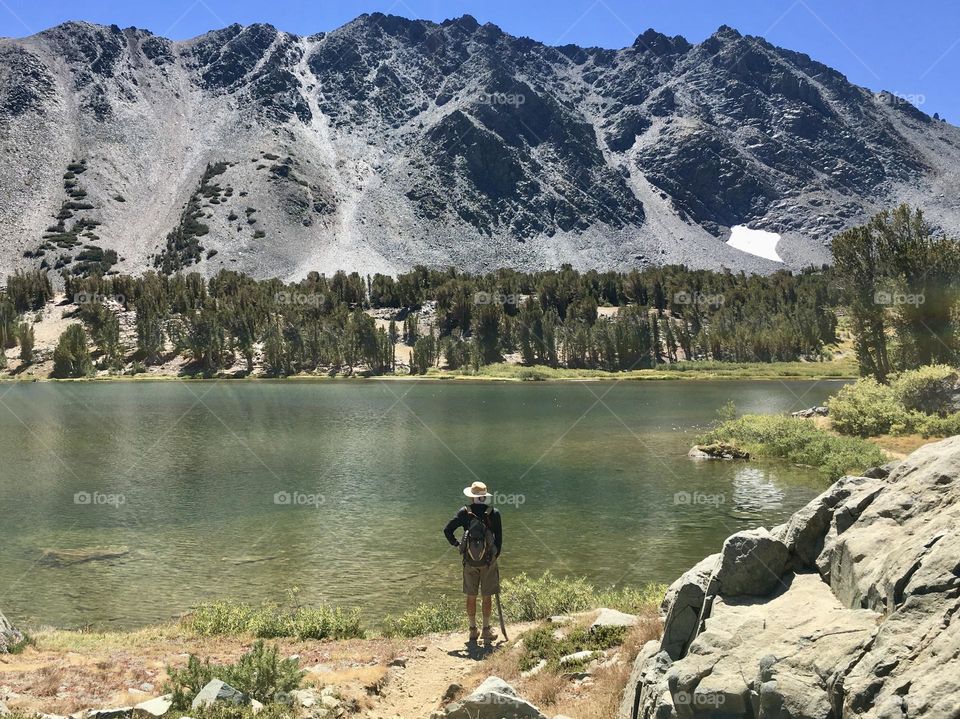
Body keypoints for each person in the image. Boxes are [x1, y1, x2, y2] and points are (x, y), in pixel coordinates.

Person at [443, 480, 503, 643]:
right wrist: (492, 558)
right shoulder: (494, 513)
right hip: (489, 562)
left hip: (470, 561)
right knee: (487, 596)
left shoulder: (465, 512)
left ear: (471, 497)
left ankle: (472, 630)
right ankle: (486, 630)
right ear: (485, 496)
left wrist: (457, 545)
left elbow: (447, 530)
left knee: (471, 595)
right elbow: (499, 541)